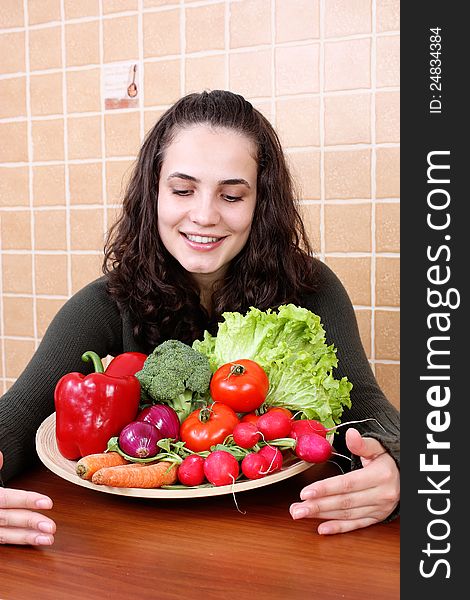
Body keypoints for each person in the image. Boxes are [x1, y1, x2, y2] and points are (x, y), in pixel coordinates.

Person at [0, 90, 399, 545]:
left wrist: (399, 468)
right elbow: (16, 416)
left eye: (231, 195)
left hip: (279, 538)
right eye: (182, 190)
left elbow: (367, 410)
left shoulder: (311, 289)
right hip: (132, 547)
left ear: (260, 202)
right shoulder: (107, 300)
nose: (204, 215)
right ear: (153, 192)